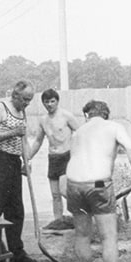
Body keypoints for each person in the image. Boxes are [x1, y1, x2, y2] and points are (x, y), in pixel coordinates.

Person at [66, 100, 131, 262]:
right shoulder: (113, 127)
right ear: (106, 114)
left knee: (82, 235)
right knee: (108, 236)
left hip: (74, 185)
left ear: (87, 115)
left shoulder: (78, 132)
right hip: (98, 185)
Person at [0, 80, 37, 262]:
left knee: (16, 210)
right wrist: (12, 132)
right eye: (24, 99)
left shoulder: (22, 111)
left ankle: (17, 252)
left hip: (14, 162)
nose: (27, 103)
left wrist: (27, 160)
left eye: (29, 100)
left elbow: (23, 140)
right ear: (15, 95)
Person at [26, 89, 81, 226]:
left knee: (64, 190)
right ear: (43, 103)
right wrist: (29, 157)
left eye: (52, 101)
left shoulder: (66, 116)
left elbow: (80, 133)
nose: (50, 104)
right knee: (55, 194)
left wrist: (78, 152)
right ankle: (58, 221)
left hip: (67, 156)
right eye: (47, 102)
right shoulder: (43, 120)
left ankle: (81, 214)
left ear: (57, 101)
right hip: (53, 158)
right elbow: (38, 140)